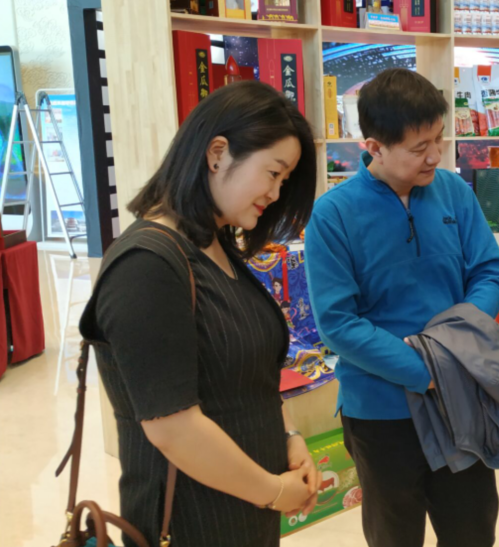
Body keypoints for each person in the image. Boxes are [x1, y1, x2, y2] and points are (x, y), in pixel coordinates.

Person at [79, 81, 320, 547]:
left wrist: (289, 435)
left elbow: (250, 373)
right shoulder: (147, 265)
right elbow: (173, 428)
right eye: (273, 173)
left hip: (246, 508)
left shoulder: (215, 245)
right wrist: (274, 492)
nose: (276, 192)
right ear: (217, 154)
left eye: (284, 180)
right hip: (191, 520)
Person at [305, 68, 499, 547]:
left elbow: (489, 272)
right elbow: (337, 322)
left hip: (460, 399)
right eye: (419, 148)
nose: (435, 156)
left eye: (438, 139)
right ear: (374, 147)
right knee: (393, 535)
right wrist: (426, 370)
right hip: (380, 411)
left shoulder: (454, 193)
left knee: (472, 529)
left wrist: (454, 349)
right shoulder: (333, 215)